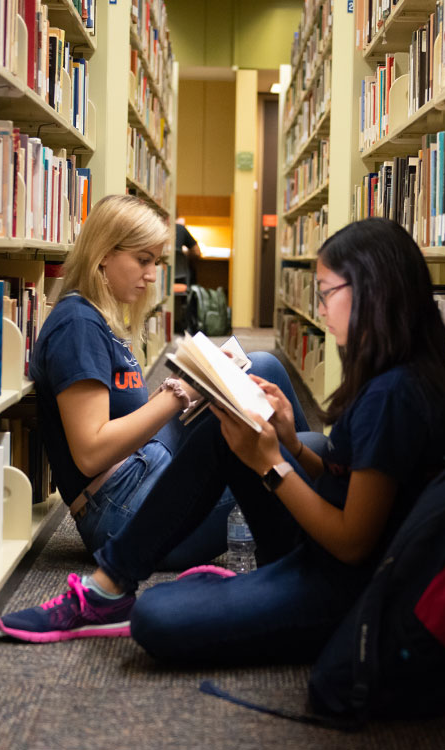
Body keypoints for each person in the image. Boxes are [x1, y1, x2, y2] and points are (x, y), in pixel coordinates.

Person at [0, 217, 445, 661]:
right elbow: (348, 481)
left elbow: (353, 545)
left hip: (341, 591)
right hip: (317, 557)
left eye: (327, 293)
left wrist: (271, 466)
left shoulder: (393, 397)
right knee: (239, 431)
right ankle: (110, 585)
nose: (319, 308)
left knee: (157, 620)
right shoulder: (390, 375)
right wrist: (291, 445)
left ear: (373, 295)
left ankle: (127, 584)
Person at [26, 194, 310, 579]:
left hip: (144, 463)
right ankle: (320, 517)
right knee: (284, 459)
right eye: (143, 260)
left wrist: (206, 382)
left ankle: (308, 492)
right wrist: (182, 391)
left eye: (156, 262)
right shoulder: (78, 326)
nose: (151, 274)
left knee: (260, 366)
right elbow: (91, 454)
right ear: (104, 254)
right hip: (121, 509)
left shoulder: (97, 316)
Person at [173, 217, 200, 289]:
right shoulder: (180, 228)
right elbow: (197, 253)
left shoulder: (159, 227)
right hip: (181, 276)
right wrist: (184, 254)